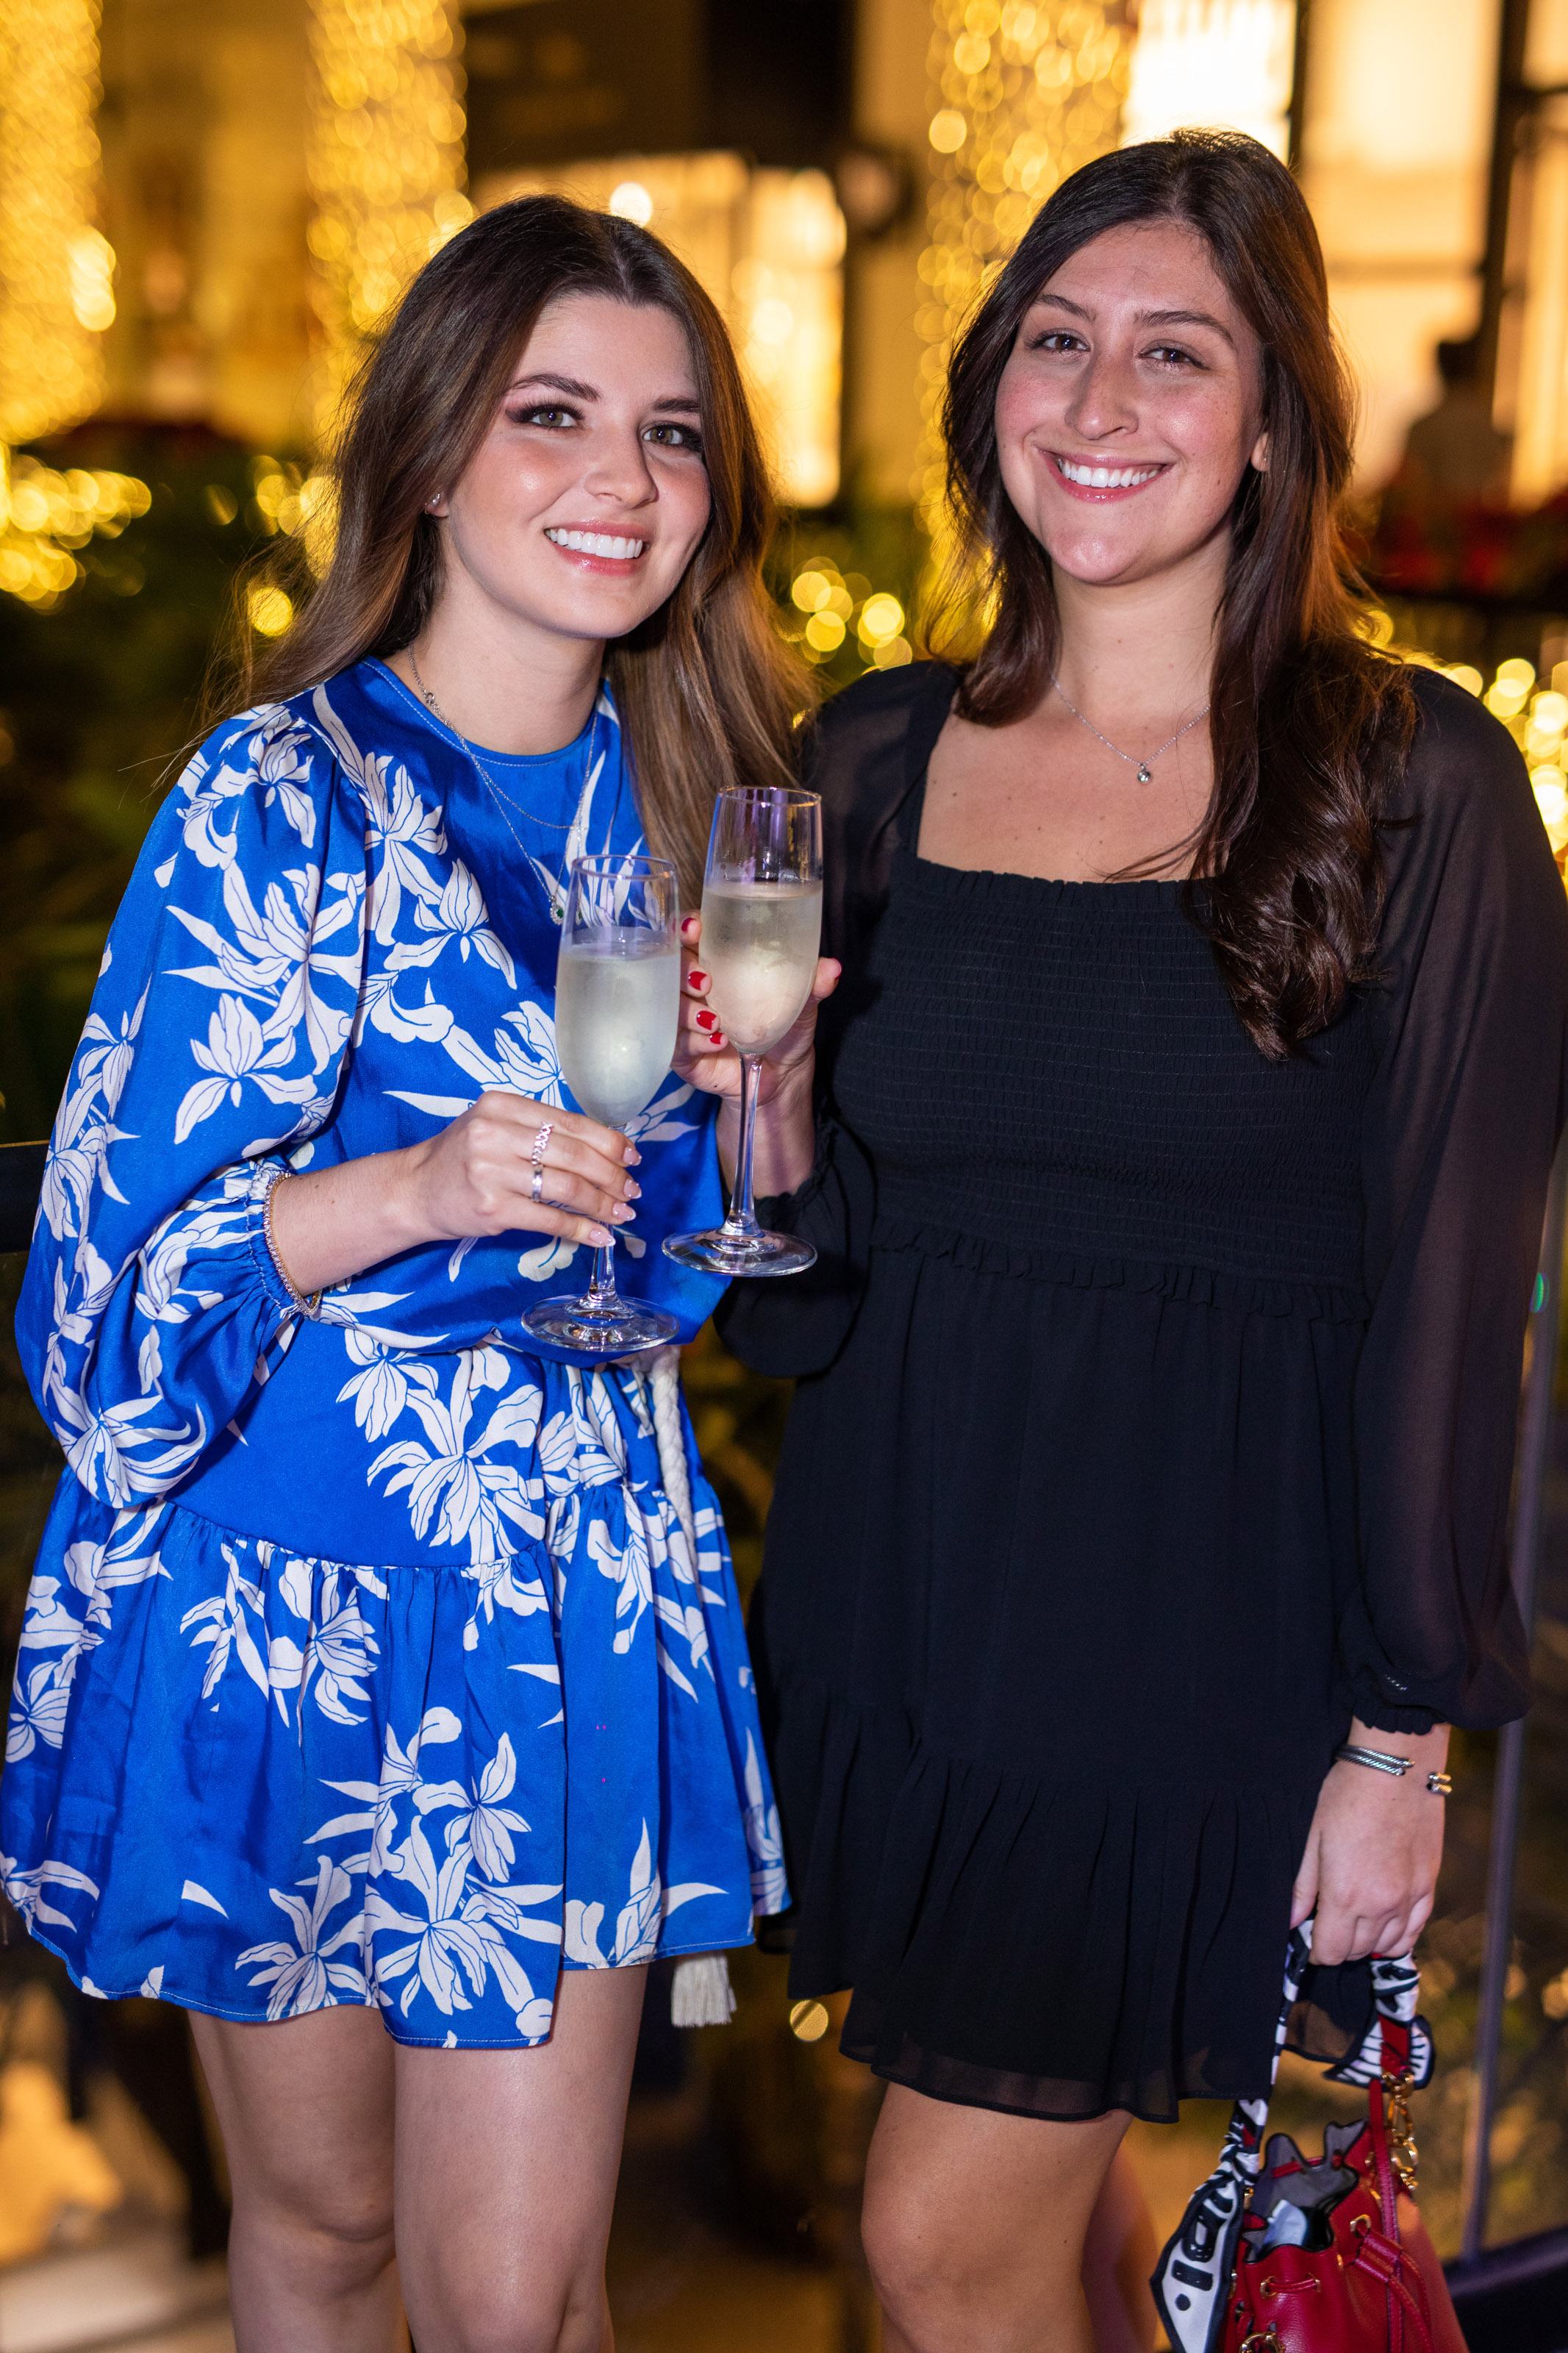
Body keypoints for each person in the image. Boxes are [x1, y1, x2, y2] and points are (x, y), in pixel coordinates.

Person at [687, 130, 1568, 2353]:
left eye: (1174, 354)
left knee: (936, 2248)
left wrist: (1400, 1735)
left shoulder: (1414, 785)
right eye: (1055, 346)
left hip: (1201, 1654)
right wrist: (767, 1135)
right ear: (989, 389)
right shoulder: (868, 764)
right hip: (912, 1623)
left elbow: (1457, 1308)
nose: (1101, 406)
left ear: (1275, 415)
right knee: (1093, 2249)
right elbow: (805, 1307)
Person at [1, 194, 803, 2352]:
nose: (625, 483)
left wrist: (763, 1102)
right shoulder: (276, 798)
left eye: (673, 433)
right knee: (328, 2244)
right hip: (287, 1590)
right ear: (436, 450)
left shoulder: (701, 810)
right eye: (556, 416)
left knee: (520, 2296)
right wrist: (424, 1182)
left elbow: (682, 1276)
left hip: (564, 1588)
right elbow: (92, 1297)